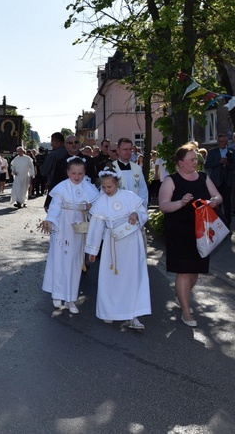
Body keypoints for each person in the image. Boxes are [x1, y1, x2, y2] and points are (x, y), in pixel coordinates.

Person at [159, 144, 222, 327]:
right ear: (181, 163)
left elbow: (218, 196)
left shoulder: (203, 177)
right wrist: (180, 202)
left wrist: (213, 202)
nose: (196, 162)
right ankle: (186, 312)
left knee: (195, 271)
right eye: (192, 160)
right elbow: (164, 206)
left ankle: (181, 295)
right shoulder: (171, 181)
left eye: (196, 159)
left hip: (201, 232)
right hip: (179, 231)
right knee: (184, 271)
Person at [85, 168, 150, 329]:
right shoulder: (101, 202)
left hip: (132, 243)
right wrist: (92, 251)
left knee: (132, 277)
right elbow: (95, 227)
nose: (107, 190)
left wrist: (136, 215)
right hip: (112, 244)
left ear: (118, 184)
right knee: (111, 278)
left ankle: (133, 315)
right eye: (104, 187)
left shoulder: (129, 197)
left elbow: (143, 213)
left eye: (110, 187)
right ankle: (110, 312)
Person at [40, 157, 99, 313]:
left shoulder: (90, 189)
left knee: (74, 262)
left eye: (80, 173)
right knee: (59, 260)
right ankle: (57, 294)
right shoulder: (61, 188)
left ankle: (71, 299)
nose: (77, 176)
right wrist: (49, 220)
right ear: (68, 172)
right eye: (74, 173)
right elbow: (54, 208)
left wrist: (89, 208)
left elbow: (97, 211)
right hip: (62, 228)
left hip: (78, 231)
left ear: (84, 173)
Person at [204, 134, 235, 226]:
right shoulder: (212, 152)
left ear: (226, 142)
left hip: (227, 181)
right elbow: (207, 165)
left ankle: (227, 224)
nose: (221, 143)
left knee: (227, 203)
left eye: (223, 141)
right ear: (217, 142)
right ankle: (216, 224)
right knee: (216, 203)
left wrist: (228, 164)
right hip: (216, 181)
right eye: (220, 141)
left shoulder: (232, 152)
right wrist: (218, 162)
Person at [113, 138, 149, 209]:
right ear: (118, 150)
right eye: (125, 149)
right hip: (117, 208)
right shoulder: (111, 168)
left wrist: (139, 207)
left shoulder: (137, 169)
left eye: (130, 149)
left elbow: (142, 190)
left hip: (135, 208)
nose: (128, 152)